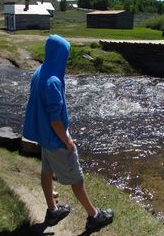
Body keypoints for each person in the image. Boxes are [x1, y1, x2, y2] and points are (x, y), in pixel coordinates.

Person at [23, 35, 114, 230]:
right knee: (77, 179)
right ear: (59, 55)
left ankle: (52, 210)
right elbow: (55, 120)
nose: (66, 58)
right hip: (56, 140)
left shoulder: (40, 71)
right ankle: (94, 216)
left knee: (46, 172)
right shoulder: (53, 81)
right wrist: (67, 141)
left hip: (43, 137)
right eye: (65, 54)